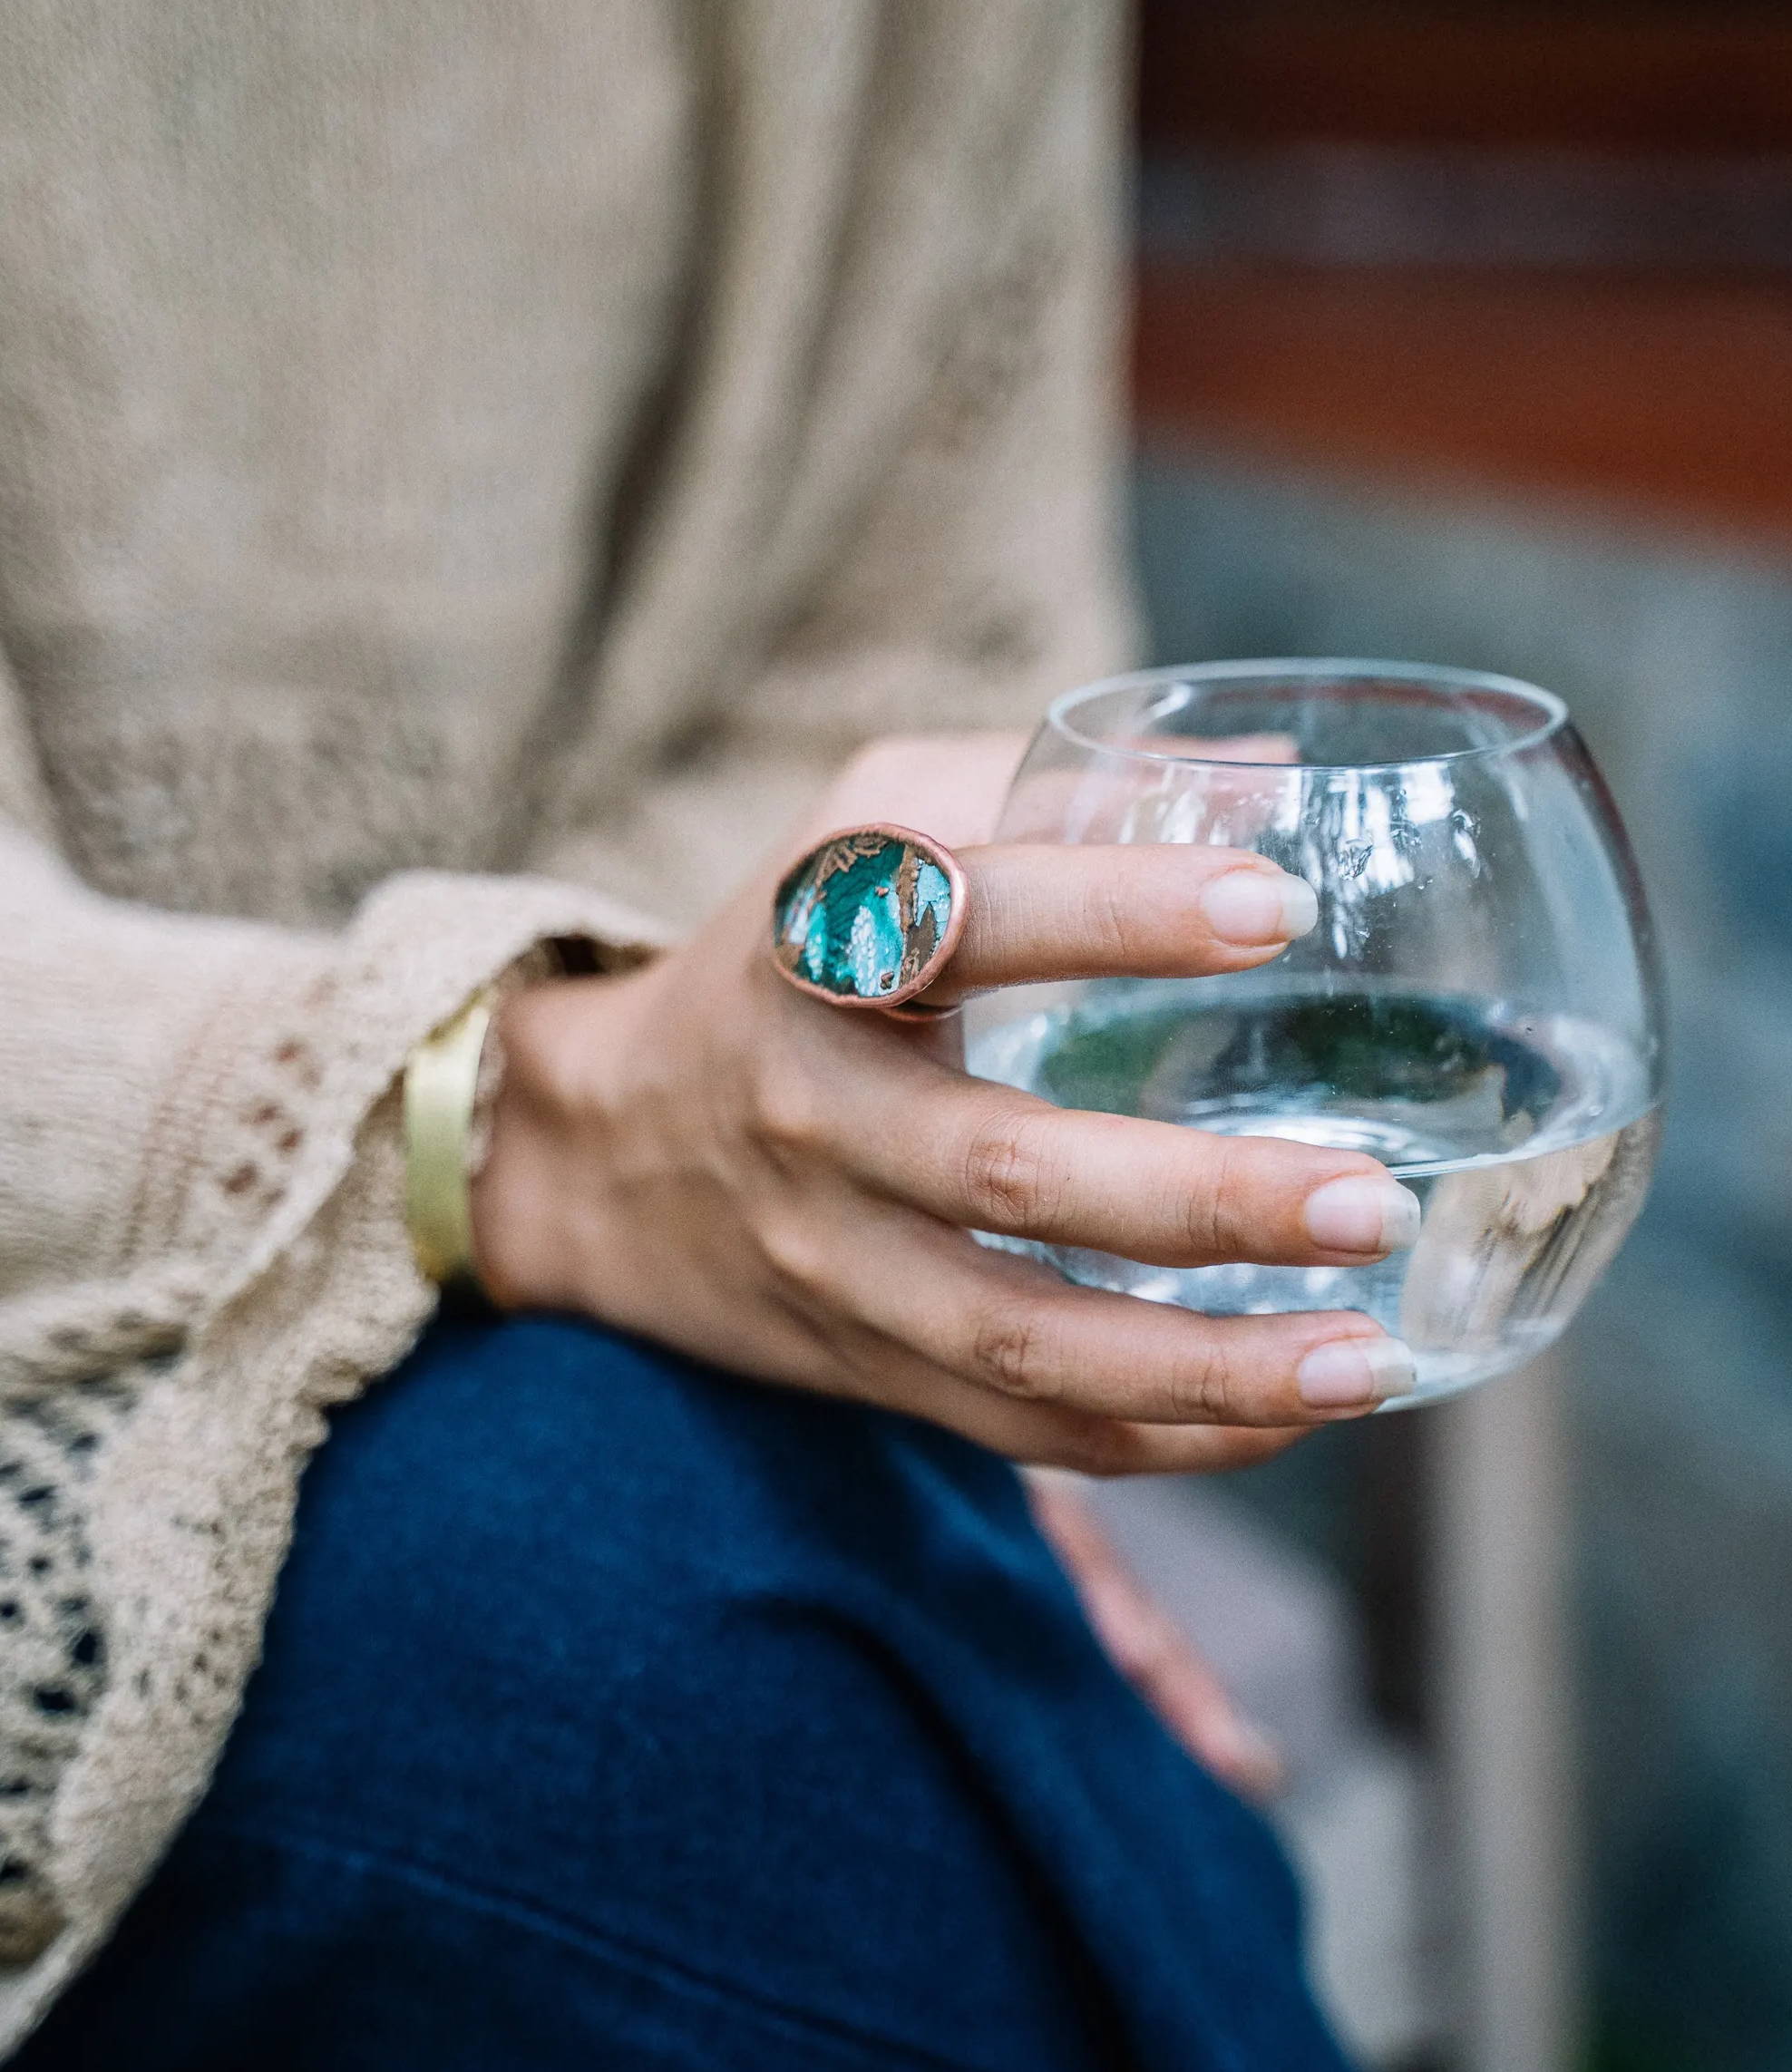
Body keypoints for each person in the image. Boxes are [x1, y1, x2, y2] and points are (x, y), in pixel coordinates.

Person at [0, 5, 1418, 2064]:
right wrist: (527, 1122)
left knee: (839, 1650)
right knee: (634, 1661)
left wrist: (812, 1174)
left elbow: (918, 656)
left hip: (584, 1341)